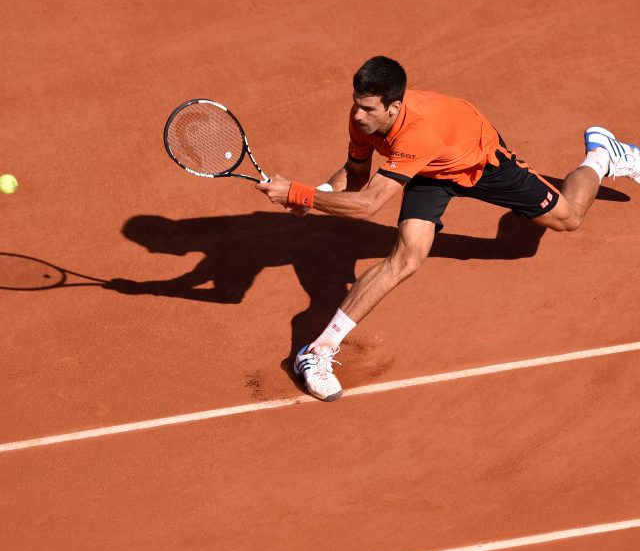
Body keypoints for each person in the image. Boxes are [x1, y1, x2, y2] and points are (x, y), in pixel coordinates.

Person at [257, 55, 640, 402]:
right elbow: (355, 178)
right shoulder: (365, 119)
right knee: (407, 257)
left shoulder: (419, 131)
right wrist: (318, 194)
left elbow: (368, 206)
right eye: (356, 104)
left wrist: (299, 193)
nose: (357, 115)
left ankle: (602, 154)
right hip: (427, 171)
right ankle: (318, 351)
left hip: (477, 160)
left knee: (568, 217)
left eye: (367, 108)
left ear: (393, 106)